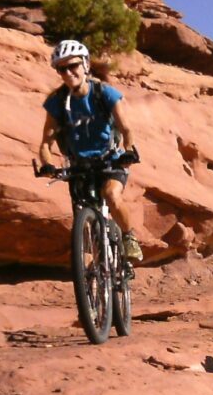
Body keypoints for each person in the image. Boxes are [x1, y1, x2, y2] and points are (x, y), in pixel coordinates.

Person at [39, 39, 143, 261]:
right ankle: (98, 266)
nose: (68, 73)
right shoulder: (56, 102)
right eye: (61, 68)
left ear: (85, 65)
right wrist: (47, 164)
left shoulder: (104, 93)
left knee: (111, 195)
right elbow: (46, 143)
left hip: (110, 161)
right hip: (79, 167)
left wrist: (129, 150)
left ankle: (128, 237)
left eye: (73, 66)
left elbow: (126, 129)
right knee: (83, 215)